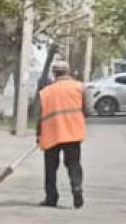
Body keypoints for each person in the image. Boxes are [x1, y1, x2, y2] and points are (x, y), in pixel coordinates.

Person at [37, 58, 91, 209]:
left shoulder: (46, 92)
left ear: (54, 74)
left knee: (50, 168)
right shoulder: (79, 87)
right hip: (72, 132)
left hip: (51, 133)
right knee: (73, 164)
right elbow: (88, 110)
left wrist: (38, 134)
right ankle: (77, 187)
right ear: (68, 71)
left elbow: (40, 115)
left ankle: (51, 198)